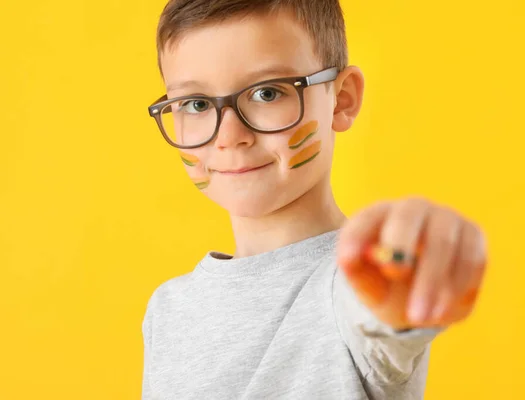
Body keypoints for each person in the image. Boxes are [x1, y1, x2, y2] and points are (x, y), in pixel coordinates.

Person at [142, 1, 488, 399]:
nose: (228, 135)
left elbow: (382, 313)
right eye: (197, 104)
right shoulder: (168, 309)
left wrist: (414, 266)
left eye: (267, 93)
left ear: (341, 100)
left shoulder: (356, 280)